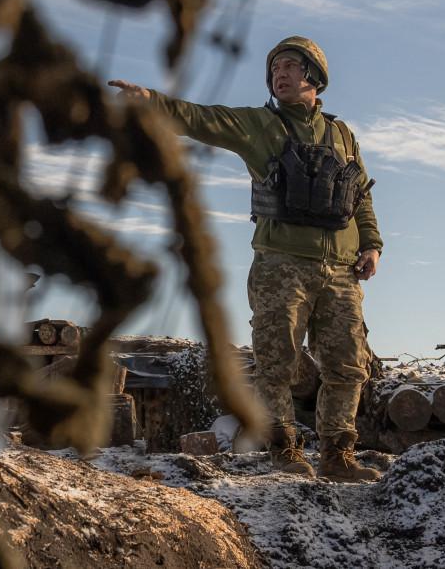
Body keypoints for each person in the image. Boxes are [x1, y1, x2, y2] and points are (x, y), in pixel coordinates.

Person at [110, 35, 383, 481]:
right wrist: (151, 101)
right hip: (281, 265)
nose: (281, 73)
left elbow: (362, 196)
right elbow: (202, 120)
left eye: (292, 66)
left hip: (341, 271)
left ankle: (338, 456)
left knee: (348, 365)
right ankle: (285, 451)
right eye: (275, 67)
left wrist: (371, 244)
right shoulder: (260, 125)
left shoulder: (342, 134)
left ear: (314, 76)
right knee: (278, 364)